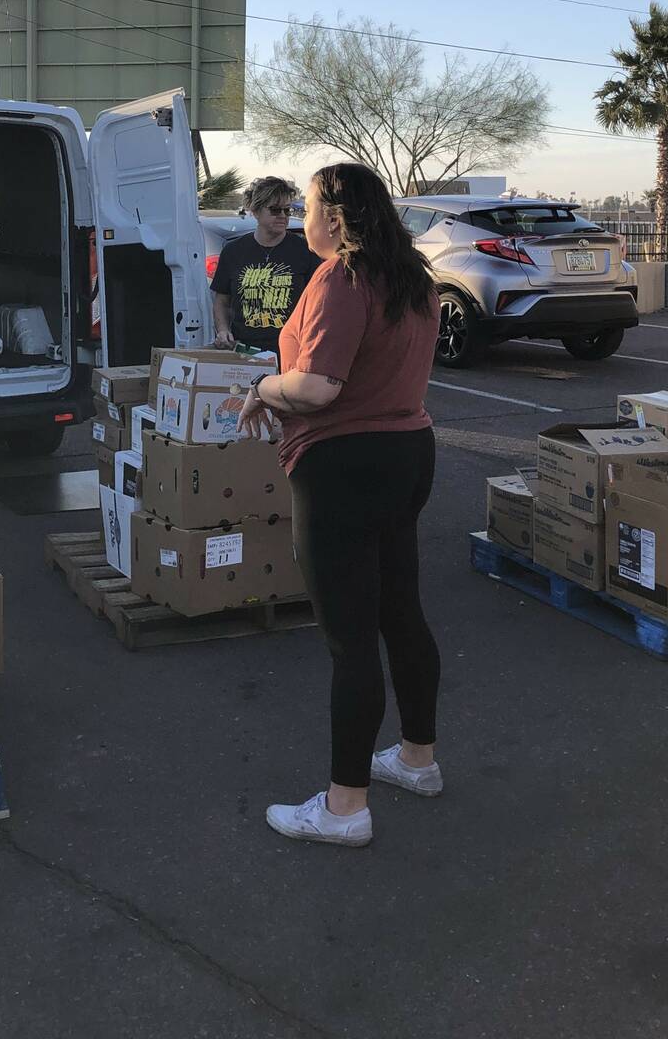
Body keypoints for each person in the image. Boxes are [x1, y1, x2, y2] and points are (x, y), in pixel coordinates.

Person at [237, 163, 442, 848]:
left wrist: (265, 387)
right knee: (400, 613)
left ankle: (344, 806)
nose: (302, 217)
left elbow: (319, 387)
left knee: (350, 636)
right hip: (409, 453)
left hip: (344, 467)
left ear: (340, 214)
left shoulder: (342, 276)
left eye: (310, 204)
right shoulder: (411, 275)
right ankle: (417, 760)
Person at [210, 175, 321, 356]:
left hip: (291, 351)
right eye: (275, 210)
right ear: (256, 210)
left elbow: (317, 303)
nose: (283, 216)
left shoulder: (305, 251)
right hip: (244, 350)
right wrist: (222, 331)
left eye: (287, 210)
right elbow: (222, 300)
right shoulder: (233, 252)